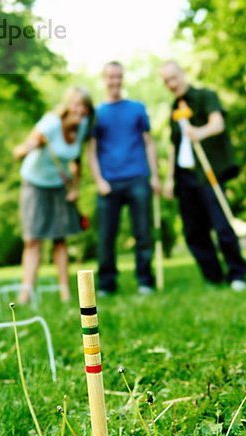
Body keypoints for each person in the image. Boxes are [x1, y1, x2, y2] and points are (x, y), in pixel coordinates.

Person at [160, 61, 246, 291]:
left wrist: (199, 132)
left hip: (208, 171)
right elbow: (173, 146)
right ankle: (214, 277)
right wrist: (169, 178)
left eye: (173, 78)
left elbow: (217, 124)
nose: (171, 84)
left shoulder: (205, 96)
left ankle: (237, 273)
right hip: (185, 177)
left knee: (221, 225)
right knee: (193, 231)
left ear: (183, 73)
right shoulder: (173, 109)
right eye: (166, 81)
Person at [13, 86, 93, 302]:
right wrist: (29, 147)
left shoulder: (83, 126)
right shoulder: (50, 123)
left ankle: (65, 292)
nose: (80, 109)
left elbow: (77, 161)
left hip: (59, 185)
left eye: (84, 106)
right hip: (34, 183)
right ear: (67, 104)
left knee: (60, 238)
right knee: (33, 240)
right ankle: (25, 294)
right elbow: (22, 149)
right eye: (77, 104)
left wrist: (75, 188)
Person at [88, 61, 160, 295]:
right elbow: (91, 150)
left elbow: (149, 143)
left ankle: (145, 281)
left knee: (143, 233)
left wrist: (155, 176)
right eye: (110, 77)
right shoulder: (96, 114)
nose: (115, 81)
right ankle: (107, 284)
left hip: (138, 177)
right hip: (109, 182)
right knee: (106, 236)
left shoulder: (137, 108)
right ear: (103, 78)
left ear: (123, 78)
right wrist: (99, 180)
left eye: (118, 76)